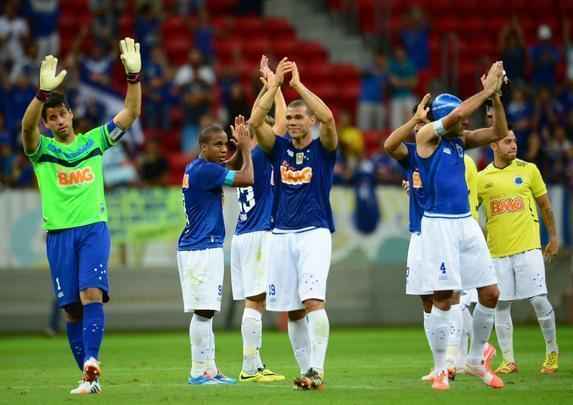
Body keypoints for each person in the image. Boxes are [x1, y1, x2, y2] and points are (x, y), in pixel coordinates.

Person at [20, 37, 142, 394]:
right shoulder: (41, 151)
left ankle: (91, 361)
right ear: (47, 123)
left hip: (92, 229)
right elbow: (26, 130)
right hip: (59, 235)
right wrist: (40, 96)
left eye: (62, 114)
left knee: (91, 293)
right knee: (71, 311)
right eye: (51, 118)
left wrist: (134, 78)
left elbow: (131, 114)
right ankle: (90, 378)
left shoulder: (94, 141)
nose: (58, 121)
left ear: (72, 115)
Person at [415, 61, 507, 390]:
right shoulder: (426, 136)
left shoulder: (459, 141)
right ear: (443, 116)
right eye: (459, 116)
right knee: (443, 297)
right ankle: (442, 368)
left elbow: (498, 133)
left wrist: (495, 98)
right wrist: (485, 90)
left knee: (491, 293)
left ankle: (474, 358)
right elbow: (456, 117)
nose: (465, 120)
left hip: (465, 224)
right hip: (438, 224)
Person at [250, 57, 338, 390]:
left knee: (313, 300)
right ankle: (306, 373)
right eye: (291, 117)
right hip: (281, 234)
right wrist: (273, 86)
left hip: (314, 232)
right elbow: (258, 121)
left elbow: (329, 117)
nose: (294, 121)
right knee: (292, 309)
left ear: (311, 121)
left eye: (300, 117)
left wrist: (297, 85)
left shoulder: (324, 149)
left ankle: (317, 368)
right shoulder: (279, 148)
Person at [177, 117, 254, 385]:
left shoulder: (199, 168)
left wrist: (241, 147)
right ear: (203, 147)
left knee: (207, 310)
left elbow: (229, 168)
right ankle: (198, 371)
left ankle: (209, 369)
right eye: (218, 145)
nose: (224, 149)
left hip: (203, 246)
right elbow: (247, 178)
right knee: (204, 311)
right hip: (200, 248)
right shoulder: (206, 172)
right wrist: (245, 148)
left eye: (226, 144)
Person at [477, 130, 559, 375]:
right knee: (501, 305)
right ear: (494, 145)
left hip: (528, 248)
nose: (514, 145)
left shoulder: (529, 170)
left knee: (538, 299)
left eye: (514, 141)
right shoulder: (482, 178)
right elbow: (471, 213)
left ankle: (552, 352)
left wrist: (553, 236)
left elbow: (545, 205)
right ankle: (508, 360)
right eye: (507, 141)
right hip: (497, 252)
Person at [230, 56, 286, 383]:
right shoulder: (263, 156)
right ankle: (250, 368)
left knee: (257, 299)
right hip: (259, 232)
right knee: (257, 300)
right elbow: (273, 123)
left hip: (244, 233)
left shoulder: (244, 158)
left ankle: (255, 362)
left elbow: (264, 121)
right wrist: (274, 85)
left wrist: (269, 86)